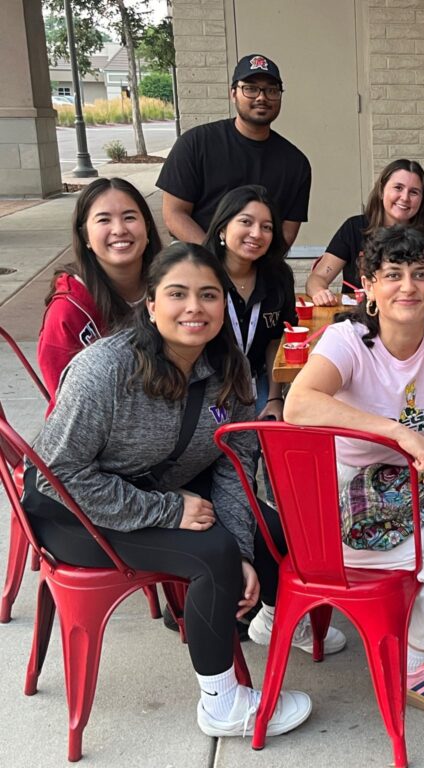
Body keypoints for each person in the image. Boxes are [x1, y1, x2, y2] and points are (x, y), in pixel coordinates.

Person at [22, 242, 321, 739]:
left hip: (159, 481)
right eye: (177, 294)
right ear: (152, 303)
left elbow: (235, 461)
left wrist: (245, 551)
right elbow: (61, 475)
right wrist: (166, 510)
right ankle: (222, 703)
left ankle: (270, 618)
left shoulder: (231, 368)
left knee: (268, 527)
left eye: (208, 295)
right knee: (211, 551)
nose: (194, 308)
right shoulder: (105, 371)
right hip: (71, 510)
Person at [285, 225, 424, 717]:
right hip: (347, 504)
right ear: (369, 286)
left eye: (421, 274)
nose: (408, 287)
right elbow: (297, 403)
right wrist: (396, 432)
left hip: (419, 483)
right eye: (393, 275)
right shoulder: (348, 339)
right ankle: (415, 662)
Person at [157, 54, 311, 246]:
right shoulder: (196, 143)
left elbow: (287, 231)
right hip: (196, 255)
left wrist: (258, 266)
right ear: (233, 94)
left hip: (257, 259)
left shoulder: (295, 163)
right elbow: (174, 214)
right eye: (251, 89)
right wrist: (215, 261)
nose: (262, 97)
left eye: (271, 90)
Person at [38, 177, 162, 413]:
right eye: (104, 219)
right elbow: (68, 405)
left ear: (146, 228)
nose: (119, 230)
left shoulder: (173, 286)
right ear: (85, 236)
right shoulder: (68, 310)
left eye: (129, 217)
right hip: (100, 437)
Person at [201, 185, 296, 420]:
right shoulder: (200, 273)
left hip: (257, 378)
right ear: (222, 228)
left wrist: (275, 398)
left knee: (273, 430)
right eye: (246, 222)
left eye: (267, 227)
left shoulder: (278, 276)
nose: (256, 233)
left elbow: (276, 340)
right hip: (207, 381)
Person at [306, 159, 424, 306]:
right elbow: (317, 277)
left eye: (414, 192)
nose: (405, 198)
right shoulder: (354, 227)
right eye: (398, 188)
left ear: (422, 199)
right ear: (381, 191)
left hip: (411, 317)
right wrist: (320, 292)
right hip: (359, 317)